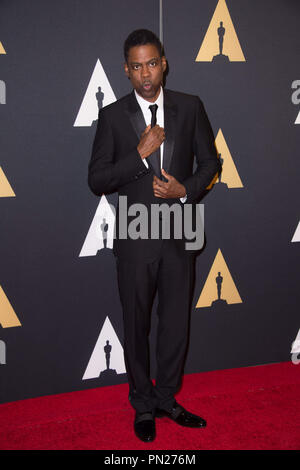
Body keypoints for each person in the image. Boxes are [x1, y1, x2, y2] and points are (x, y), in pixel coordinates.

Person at [88, 29, 221, 442]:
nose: (146, 74)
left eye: (152, 63)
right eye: (136, 66)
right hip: (134, 239)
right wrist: (139, 155)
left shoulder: (190, 106)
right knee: (136, 326)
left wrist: (186, 190)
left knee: (175, 326)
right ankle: (142, 405)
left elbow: (210, 162)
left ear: (163, 63)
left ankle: (166, 398)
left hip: (179, 236)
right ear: (126, 71)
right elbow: (97, 179)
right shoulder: (112, 116)